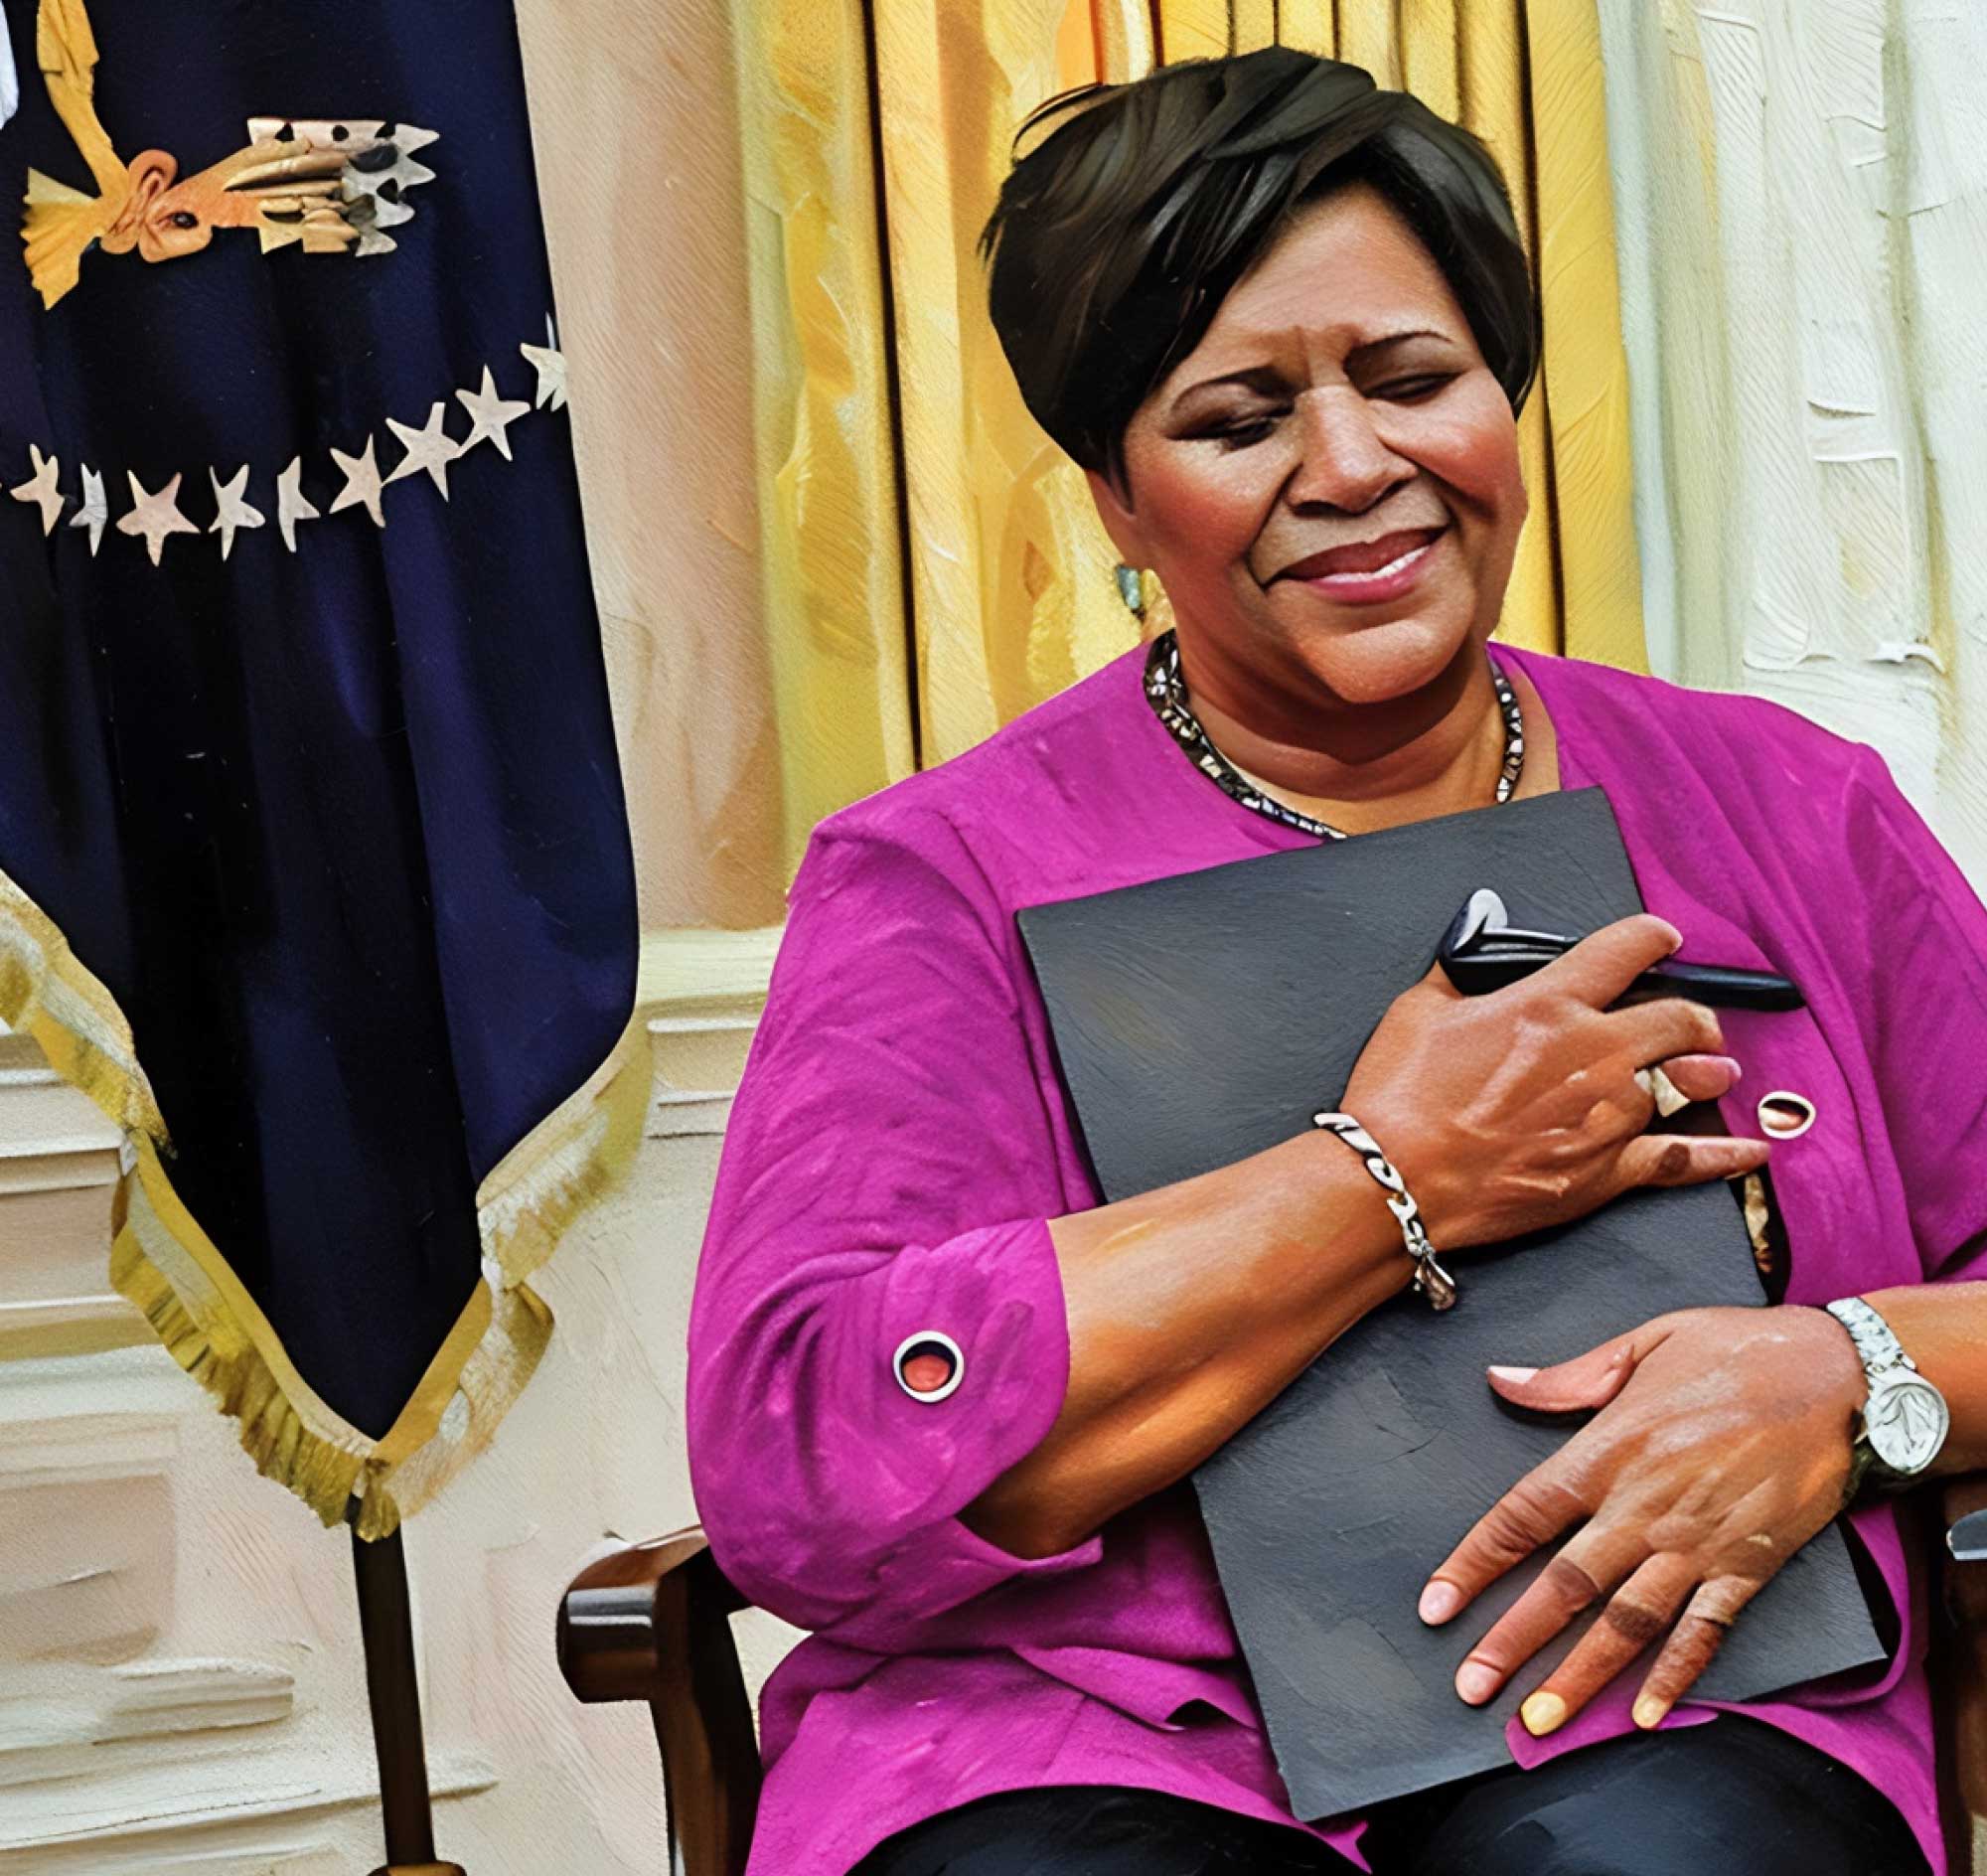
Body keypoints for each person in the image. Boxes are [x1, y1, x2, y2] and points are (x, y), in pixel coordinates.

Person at [688, 47, 1986, 1876]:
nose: (1355, 468)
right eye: (1238, 420)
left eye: (1412, 379)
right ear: (1118, 500)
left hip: (1666, 1683)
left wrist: (1850, 1371)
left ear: (1504, 402)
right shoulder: (944, 877)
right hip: (1084, 1728)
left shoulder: (1787, 806)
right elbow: (798, 1466)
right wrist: (1395, 1183)